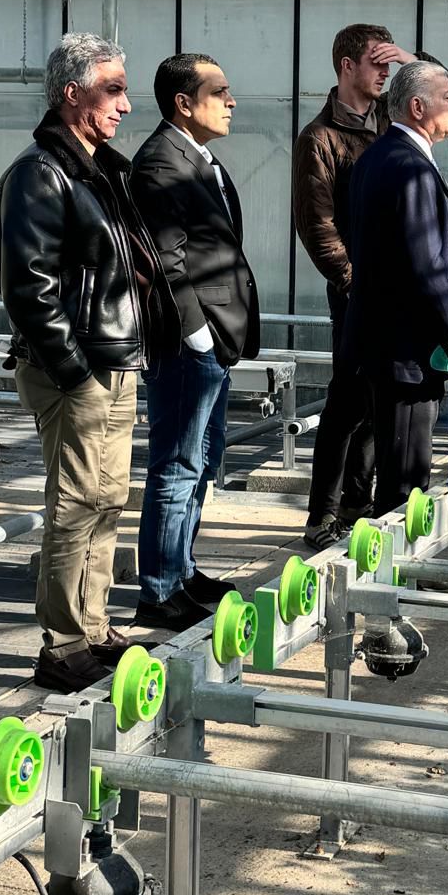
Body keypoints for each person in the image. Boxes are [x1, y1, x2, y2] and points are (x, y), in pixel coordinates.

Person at [0, 33, 179, 693]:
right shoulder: (40, 173)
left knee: (106, 499)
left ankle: (93, 627)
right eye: (114, 89)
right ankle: (64, 644)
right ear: (73, 94)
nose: (126, 104)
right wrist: (74, 369)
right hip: (79, 370)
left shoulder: (96, 171)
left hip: (111, 360)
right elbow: (27, 285)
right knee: (76, 504)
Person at [291, 23, 448, 550]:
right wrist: (355, 284)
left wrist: (415, 61)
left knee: (378, 410)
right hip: (358, 292)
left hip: (387, 296)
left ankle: (358, 503)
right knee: (348, 405)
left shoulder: (388, 124)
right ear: (347, 65)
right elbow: (317, 224)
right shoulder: (321, 137)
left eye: (393, 66)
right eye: (377, 62)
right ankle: (323, 514)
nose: (385, 72)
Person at [130, 54, 260, 632]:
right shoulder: (163, 162)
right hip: (189, 343)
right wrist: (198, 334)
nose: (232, 102)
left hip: (211, 340)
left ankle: (181, 570)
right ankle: (159, 591)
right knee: (178, 462)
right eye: (220, 91)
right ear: (184, 103)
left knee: (203, 459)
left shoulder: (199, 158)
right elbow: (165, 260)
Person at [343, 60, 448, 517]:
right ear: (418, 107)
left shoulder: (379, 157)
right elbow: (427, 267)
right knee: (404, 483)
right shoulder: (409, 167)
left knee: (397, 465)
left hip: (390, 342)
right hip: (407, 350)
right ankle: (392, 559)